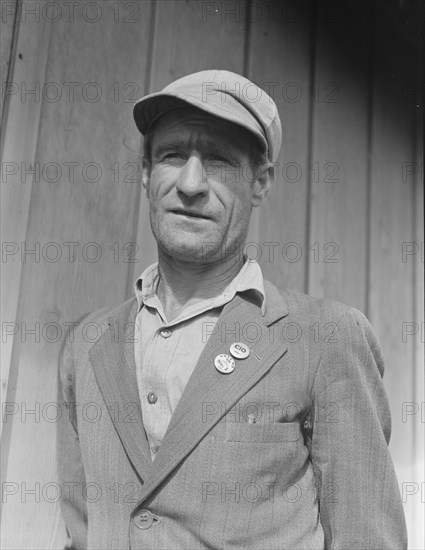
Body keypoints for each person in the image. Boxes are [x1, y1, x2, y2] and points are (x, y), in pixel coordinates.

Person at [57, 69, 407, 549]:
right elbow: (82, 530)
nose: (191, 183)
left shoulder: (327, 338)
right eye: (172, 155)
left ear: (259, 183)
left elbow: (368, 539)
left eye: (218, 160)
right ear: (145, 173)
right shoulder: (87, 342)